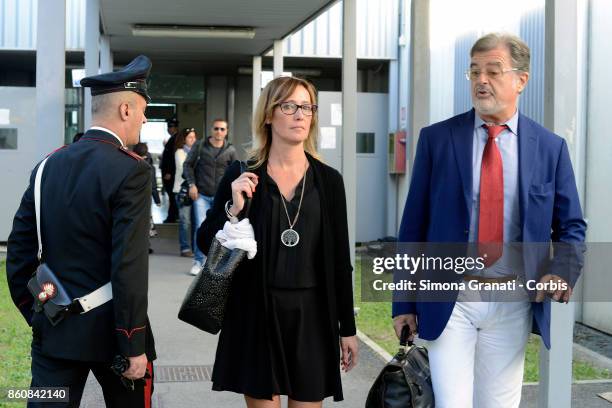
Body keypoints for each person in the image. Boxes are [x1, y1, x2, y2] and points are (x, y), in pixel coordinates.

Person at [392, 33, 586, 408]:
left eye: (493, 71)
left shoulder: (549, 148)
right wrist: (404, 300)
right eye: (475, 72)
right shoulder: (437, 140)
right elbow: (413, 226)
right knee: (451, 403)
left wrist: (561, 269)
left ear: (521, 80)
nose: (481, 80)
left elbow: (571, 226)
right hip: (452, 298)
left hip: (513, 301)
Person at [198, 76, 359, 407]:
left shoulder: (328, 181)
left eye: (307, 107)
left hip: (313, 315)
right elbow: (205, 242)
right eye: (289, 106)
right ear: (269, 115)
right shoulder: (243, 175)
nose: (300, 114)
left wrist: (348, 328)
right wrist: (233, 209)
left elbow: (340, 261)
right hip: (256, 311)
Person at [6, 55, 157, 407]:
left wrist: (37, 313)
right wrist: (133, 343)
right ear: (124, 109)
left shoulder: (47, 166)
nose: (144, 119)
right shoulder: (131, 171)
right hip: (115, 337)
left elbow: (18, 253)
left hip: (55, 330)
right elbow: (129, 266)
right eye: (142, 110)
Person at [183, 118, 238, 275]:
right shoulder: (200, 145)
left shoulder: (231, 150)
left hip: (221, 197)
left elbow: (235, 172)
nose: (219, 132)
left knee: (222, 229)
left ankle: (217, 262)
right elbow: (187, 165)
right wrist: (191, 184)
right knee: (201, 226)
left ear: (226, 131)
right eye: (216, 128)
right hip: (201, 194)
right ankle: (199, 261)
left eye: (222, 129)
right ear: (211, 130)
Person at [133, 142, 161, 254]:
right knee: (145, 221)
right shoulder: (150, 166)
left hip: (132, 197)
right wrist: (157, 200)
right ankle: (145, 245)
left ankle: (135, 245)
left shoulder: (130, 162)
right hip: (145, 197)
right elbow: (153, 185)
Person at [173, 128, 197, 257]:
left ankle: (195, 247)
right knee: (185, 221)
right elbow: (185, 169)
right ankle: (185, 248)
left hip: (195, 191)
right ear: (184, 139)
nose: (193, 139)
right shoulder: (180, 152)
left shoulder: (198, 152)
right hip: (181, 191)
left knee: (195, 221)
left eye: (194, 137)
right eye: (189, 137)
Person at [160, 117, 180, 223]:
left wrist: (169, 172)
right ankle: (173, 215)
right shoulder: (172, 138)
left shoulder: (176, 139)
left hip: (170, 173)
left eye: (171, 127)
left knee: (172, 196)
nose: (169, 129)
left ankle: (172, 216)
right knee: (171, 195)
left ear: (175, 128)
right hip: (169, 172)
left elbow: (173, 158)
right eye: (168, 127)